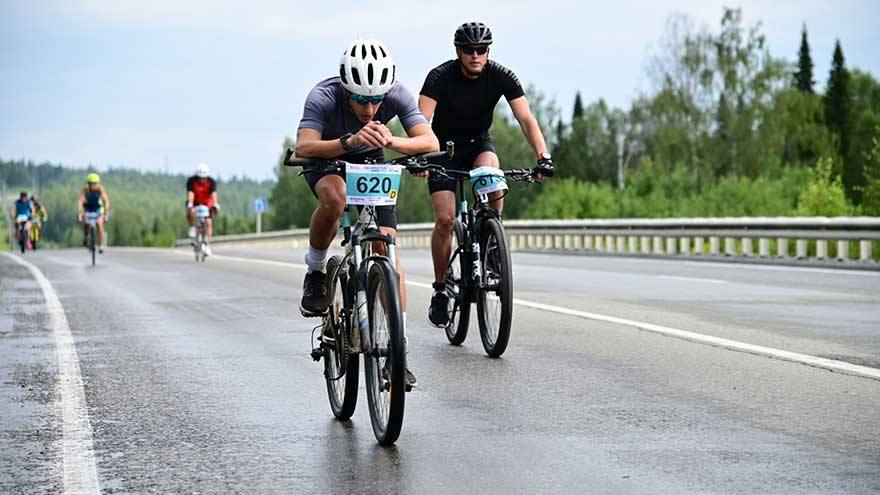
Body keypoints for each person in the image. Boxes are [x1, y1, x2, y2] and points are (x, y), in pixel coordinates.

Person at [295, 38, 440, 388]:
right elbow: (304, 145)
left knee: (388, 249)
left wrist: (392, 142)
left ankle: (397, 349)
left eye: (376, 99)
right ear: (346, 89)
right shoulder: (323, 95)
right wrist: (349, 142)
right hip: (329, 157)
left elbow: (429, 142)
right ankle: (316, 268)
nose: (370, 107)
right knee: (335, 198)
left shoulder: (397, 94)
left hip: (371, 160)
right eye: (361, 99)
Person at [418, 22, 556, 328]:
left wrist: (543, 156)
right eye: (469, 50)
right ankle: (440, 290)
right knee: (444, 219)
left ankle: (493, 241)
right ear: (458, 52)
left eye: (481, 50)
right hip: (442, 151)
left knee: (493, 180)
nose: (475, 55)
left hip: (478, 144)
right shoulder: (439, 77)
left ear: (488, 52)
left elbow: (526, 119)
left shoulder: (502, 76)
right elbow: (421, 121)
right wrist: (422, 157)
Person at [186, 163, 220, 256]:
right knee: (191, 210)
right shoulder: (191, 181)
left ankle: (206, 244)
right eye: (200, 178)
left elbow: (214, 194)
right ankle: (192, 226)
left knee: (208, 222)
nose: (202, 180)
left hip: (207, 203)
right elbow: (191, 193)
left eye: (204, 178)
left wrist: (216, 204)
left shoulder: (211, 182)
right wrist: (190, 204)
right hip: (195, 201)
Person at [76, 173, 111, 253]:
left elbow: (106, 201)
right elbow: (80, 201)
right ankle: (86, 237)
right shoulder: (85, 189)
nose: (93, 186)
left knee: (99, 223)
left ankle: (101, 245)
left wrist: (106, 213)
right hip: (88, 208)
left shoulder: (100, 189)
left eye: (95, 183)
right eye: (91, 184)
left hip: (98, 208)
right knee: (86, 223)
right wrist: (79, 213)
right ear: (88, 184)